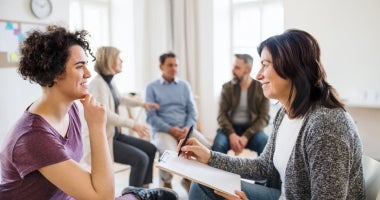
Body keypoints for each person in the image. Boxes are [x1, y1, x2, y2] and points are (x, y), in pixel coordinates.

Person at [179, 29, 365, 200]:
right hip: (282, 194)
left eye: (265, 65)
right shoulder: (285, 113)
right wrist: (209, 156)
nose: (258, 75)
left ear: (292, 68)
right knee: (202, 184)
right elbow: (264, 167)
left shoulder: (326, 125)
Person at [0, 26, 115, 199]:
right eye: (79, 67)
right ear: (54, 73)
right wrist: (97, 127)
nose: (88, 73)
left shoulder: (72, 110)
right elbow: (103, 197)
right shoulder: (33, 137)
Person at [82, 46, 158, 188]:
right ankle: (132, 196)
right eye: (119, 58)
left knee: (150, 148)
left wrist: (142, 104)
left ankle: (143, 188)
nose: (122, 61)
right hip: (105, 139)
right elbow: (105, 114)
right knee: (140, 159)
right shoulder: (97, 84)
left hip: (115, 135)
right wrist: (133, 124)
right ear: (110, 61)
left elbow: (120, 98)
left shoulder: (108, 82)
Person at [145, 52, 211, 190]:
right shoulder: (151, 87)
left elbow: (192, 111)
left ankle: (188, 179)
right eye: (170, 65)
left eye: (176, 65)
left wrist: (187, 128)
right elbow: (151, 117)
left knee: (206, 147)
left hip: (185, 129)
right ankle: (166, 182)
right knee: (168, 153)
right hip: (164, 130)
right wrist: (170, 129)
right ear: (161, 66)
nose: (174, 68)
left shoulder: (184, 86)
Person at [212, 54, 269, 156]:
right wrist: (231, 134)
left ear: (248, 70)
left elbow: (264, 118)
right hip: (229, 129)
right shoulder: (227, 88)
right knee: (218, 145)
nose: (233, 70)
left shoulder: (261, 89)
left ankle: (263, 172)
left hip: (252, 130)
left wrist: (246, 136)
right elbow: (221, 115)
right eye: (233, 66)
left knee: (265, 142)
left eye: (237, 68)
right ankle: (218, 173)